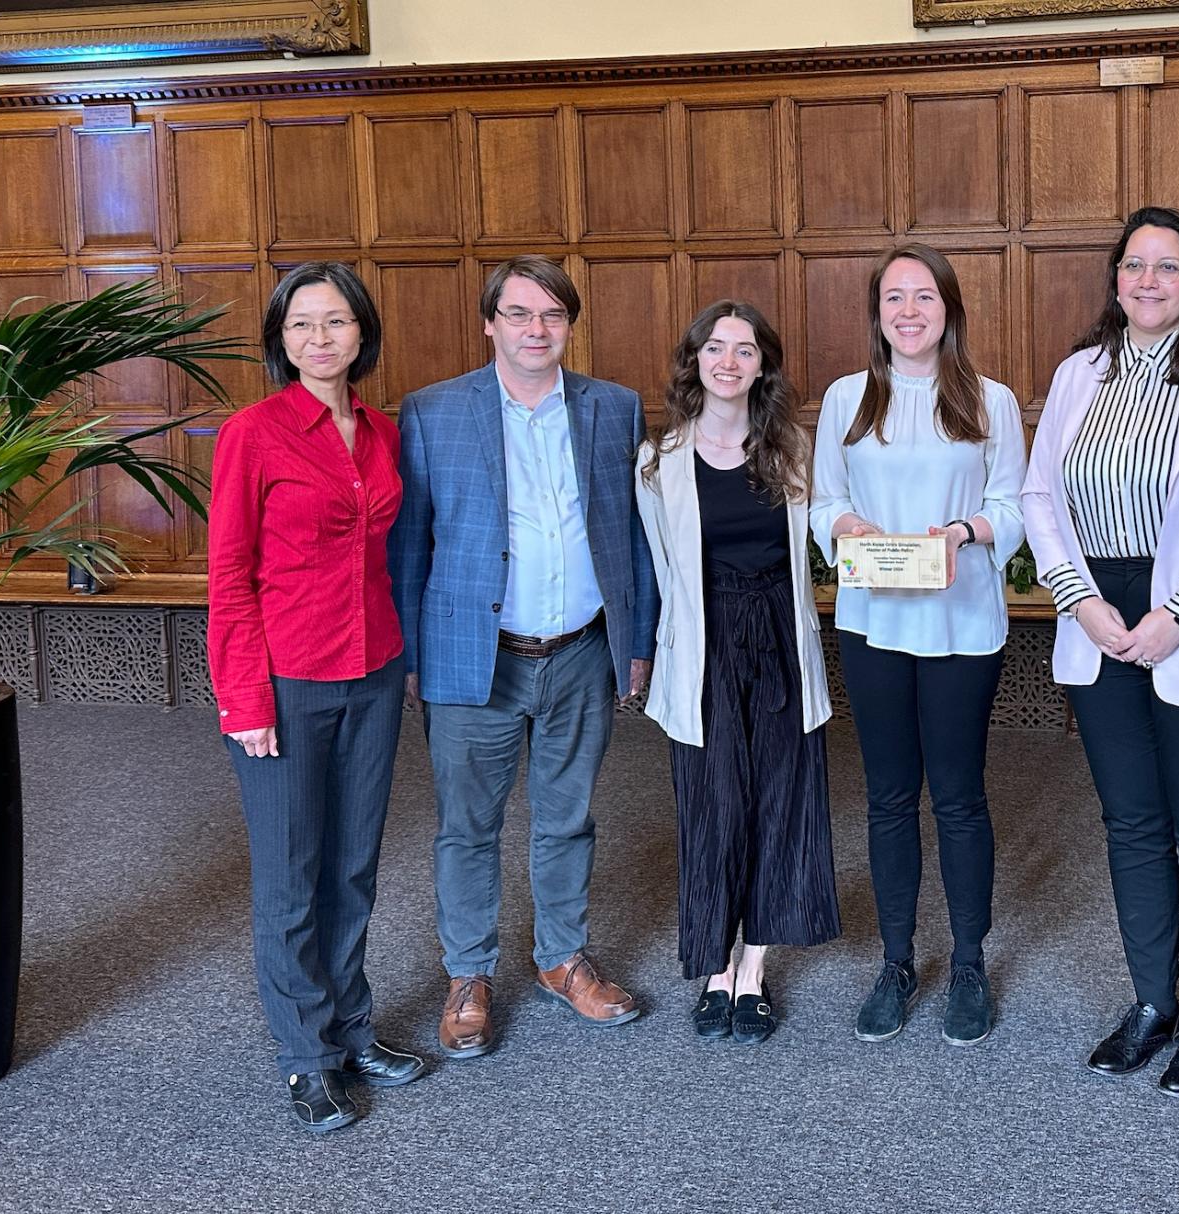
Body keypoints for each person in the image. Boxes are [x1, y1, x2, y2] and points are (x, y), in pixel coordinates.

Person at [1021, 206, 1179, 1097]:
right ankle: (1152, 1003)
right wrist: (1078, 599)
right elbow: (1038, 495)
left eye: (1169, 267)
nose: (1150, 281)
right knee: (1130, 821)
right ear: (1115, 278)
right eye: (1136, 266)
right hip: (1097, 615)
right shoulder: (1081, 372)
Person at [387, 255, 660, 1059]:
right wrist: (410, 656)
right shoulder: (434, 412)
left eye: (551, 315)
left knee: (567, 817)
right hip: (474, 655)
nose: (535, 329)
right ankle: (468, 973)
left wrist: (635, 644)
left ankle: (561, 959)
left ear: (569, 324)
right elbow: (410, 545)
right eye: (518, 314)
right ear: (490, 323)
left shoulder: (616, 408)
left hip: (580, 650)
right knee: (467, 827)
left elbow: (634, 540)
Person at [208, 261, 426, 1132]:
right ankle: (306, 1057)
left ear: (362, 333)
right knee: (293, 878)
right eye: (301, 325)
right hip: (285, 682)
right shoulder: (254, 434)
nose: (319, 339)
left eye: (335, 323)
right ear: (280, 340)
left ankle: (350, 1028)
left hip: (372, 671)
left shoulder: (381, 430)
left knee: (352, 868)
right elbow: (229, 577)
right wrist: (244, 702)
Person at [810, 243, 1025, 1047]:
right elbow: (823, 496)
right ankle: (897, 962)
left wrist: (969, 530)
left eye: (924, 296)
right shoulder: (846, 398)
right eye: (894, 297)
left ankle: (968, 961)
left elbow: (1015, 503)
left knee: (961, 798)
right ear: (877, 313)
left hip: (963, 622)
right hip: (875, 623)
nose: (908, 311)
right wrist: (845, 525)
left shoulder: (989, 398)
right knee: (890, 797)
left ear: (949, 309)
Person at [636, 300, 839, 1043]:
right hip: (705, 648)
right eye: (714, 348)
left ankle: (752, 971)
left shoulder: (794, 453)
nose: (728, 361)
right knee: (714, 804)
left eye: (744, 349)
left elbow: (824, 539)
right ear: (694, 362)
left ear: (763, 366)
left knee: (780, 801)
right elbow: (660, 573)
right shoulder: (658, 463)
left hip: (781, 641)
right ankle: (714, 966)